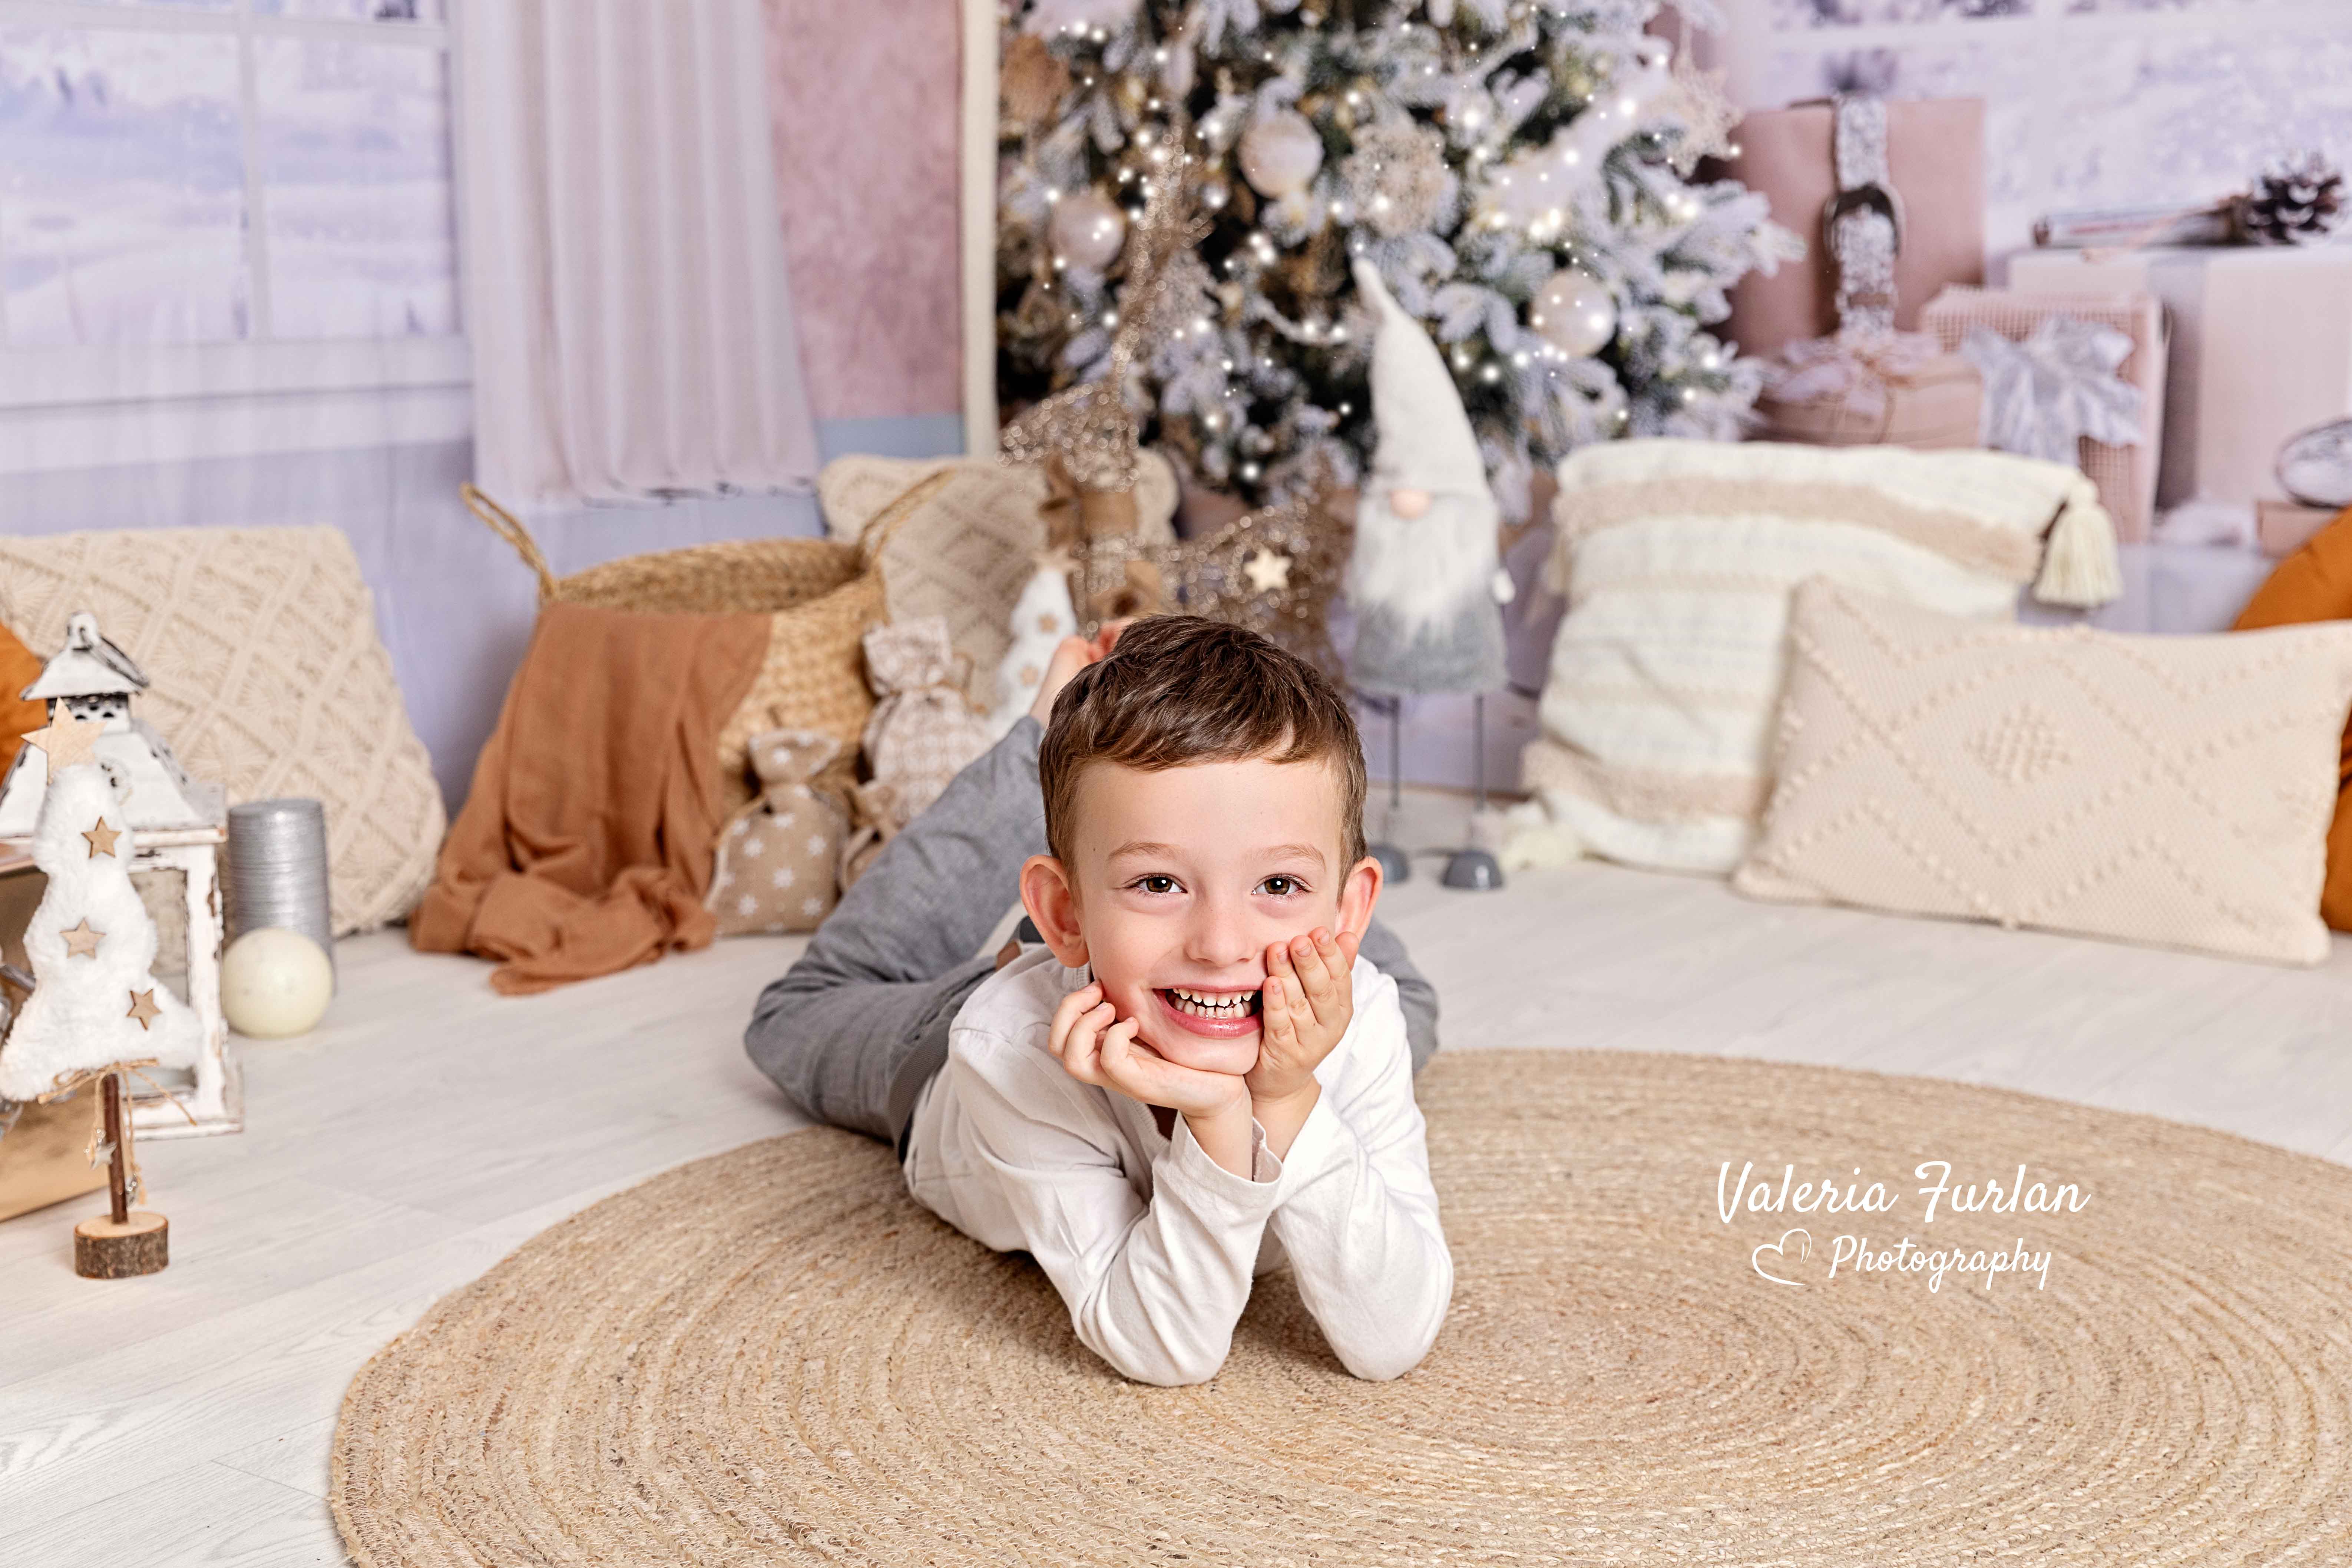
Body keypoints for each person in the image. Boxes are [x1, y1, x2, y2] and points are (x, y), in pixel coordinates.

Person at [745, 616, 1450, 1386]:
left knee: (1408, 1006)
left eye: (1277, 884)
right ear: (1062, 913)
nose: (1220, 942)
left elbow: (1391, 1339)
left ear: (1354, 911)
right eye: (1159, 882)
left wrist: (1283, 1098)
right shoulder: (1000, 1045)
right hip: (969, 1031)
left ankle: (1225, 871)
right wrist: (1220, 1120)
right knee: (796, 1014)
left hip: (1150, 973)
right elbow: (1165, 1349)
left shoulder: (1362, 1011)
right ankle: (1046, 739)